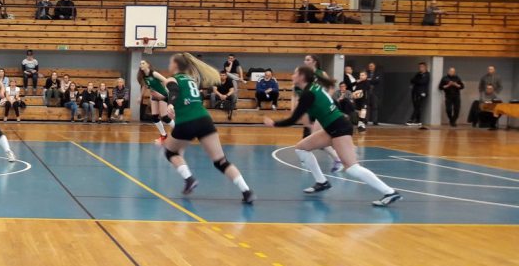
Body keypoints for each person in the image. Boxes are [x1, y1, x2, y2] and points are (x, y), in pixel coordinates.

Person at [264, 67, 402, 207]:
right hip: (332, 127)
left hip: (339, 128)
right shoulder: (314, 88)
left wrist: (274, 124)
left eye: (295, 73)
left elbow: (294, 119)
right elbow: (332, 103)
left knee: (352, 167)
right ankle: (322, 182)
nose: (293, 75)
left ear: (302, 77)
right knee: (301, 148)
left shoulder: (308, 94)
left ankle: (389, 192)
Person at [154, 53, 255, 204]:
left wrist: (170, 104)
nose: (169, 65)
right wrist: (167, 99)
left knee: (170, 152)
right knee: (221, 161)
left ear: (175, 65)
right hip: (204, 120)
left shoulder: (172, 79)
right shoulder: (191, 80)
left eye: (170, 62)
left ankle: (189, 179)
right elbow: (184, 96)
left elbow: (174, 91)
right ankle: (246, 191)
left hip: (187, 122)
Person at [137, 60, 174, 143]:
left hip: (162, 95)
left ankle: (179, 131)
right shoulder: (143, 76)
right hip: (154, 96)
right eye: (140, 64)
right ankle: (163, 135)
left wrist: (168, 91)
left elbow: (166, 80)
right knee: (154, 117)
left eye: (143, 63)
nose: (141, 65)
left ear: (148, 65)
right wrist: (140, 96)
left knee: (164, 117)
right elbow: (144, 86)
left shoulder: (154, 73)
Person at [407, 62, 430, 127]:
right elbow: (412, 80)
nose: (420, 68)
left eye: (421, 67)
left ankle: (411, 119)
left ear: (425, 67)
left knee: (417, 106)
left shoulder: (427, 74)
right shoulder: (418, 74)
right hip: (415, 92)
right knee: (416, 107)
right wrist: (416, 80)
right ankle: (418, 120)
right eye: (419, 67)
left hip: (422, 93)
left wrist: (416, 81)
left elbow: (422, 82)